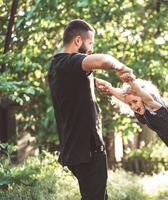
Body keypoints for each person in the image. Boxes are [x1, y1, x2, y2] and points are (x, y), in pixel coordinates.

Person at [48, 19, 132, 200]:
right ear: (78, 41)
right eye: (90, 43)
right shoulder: (68, 62)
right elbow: (102, 60)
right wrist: (122, 67)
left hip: (77, 150)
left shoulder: (57, 66)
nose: (91, 48)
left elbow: (74, 97)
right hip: (88, 151)